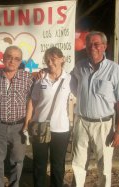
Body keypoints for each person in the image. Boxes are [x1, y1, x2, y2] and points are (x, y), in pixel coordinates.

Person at [71, 31, 119, 187]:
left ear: (105, 46)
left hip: (104, 126)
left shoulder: (114, 70)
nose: (92, 47)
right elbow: (71, 83)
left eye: (96, 44)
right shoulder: (80, 67)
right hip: (81, 123)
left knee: (104, 167)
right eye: (89, 44)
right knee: (78, 164)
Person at [24, 47, 73, 187]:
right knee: (39, 164)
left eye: (54, 59)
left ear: (62, 59)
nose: (50, 62)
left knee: (58, 165)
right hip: (40, 126)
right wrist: (27, 123)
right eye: (47, 59)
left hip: (61, 128)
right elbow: (32, 101)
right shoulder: (40, 78)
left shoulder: (70, 79)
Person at [0, 45, 34, 187]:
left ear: (20, 62)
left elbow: (33, 99)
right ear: (3, 58)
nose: (12, 61)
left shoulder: (28, 78)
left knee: (18, 160)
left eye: (17, 59)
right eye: (9, 57)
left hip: (19, 127)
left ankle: (15, 184)